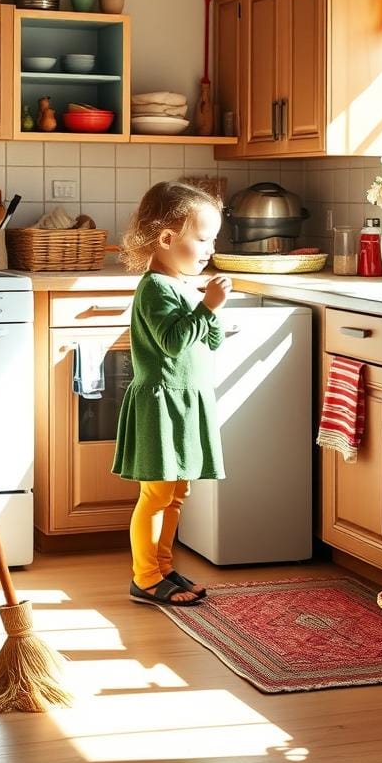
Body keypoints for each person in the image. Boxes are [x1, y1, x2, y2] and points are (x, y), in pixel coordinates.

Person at [112, 181, 230, 607]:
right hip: (162, 403)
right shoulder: (156, 288)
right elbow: (174, 341)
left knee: (176, 494)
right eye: (202, 239)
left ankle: (162, 569)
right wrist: (208, 307)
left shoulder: (181, 285)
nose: (209, 249)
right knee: (157, 495)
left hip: (185, 401)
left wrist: (209, 309)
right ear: (166, 239)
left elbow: (208, 341)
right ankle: (144, 577)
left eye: (212, 240)